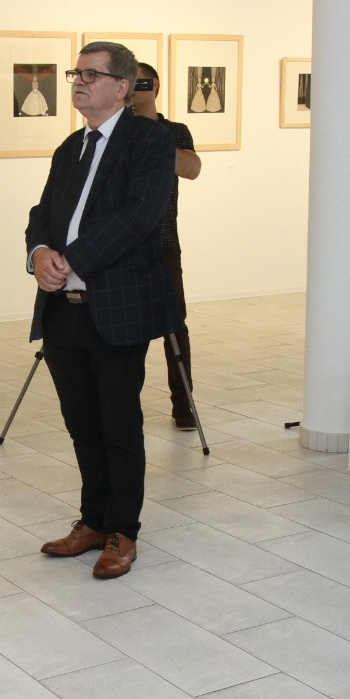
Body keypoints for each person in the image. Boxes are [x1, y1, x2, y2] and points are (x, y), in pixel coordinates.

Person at [27, 41, 177, 579]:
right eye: (77, 72)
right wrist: (39, 253)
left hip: (117, 309)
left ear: (122, 87)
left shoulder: (150, 141)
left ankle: (122, 531)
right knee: (81, 423)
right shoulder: (71, 147)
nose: (79, 81)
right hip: (62, 309)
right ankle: (92, 521)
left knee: (119, 424)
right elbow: (43, 211)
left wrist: (72, 258)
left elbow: (139, 217)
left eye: (92, 74)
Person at [130, 62, 202, 429]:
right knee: (127, 328)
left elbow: (191, 169)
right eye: (126, 82)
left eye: (139, 82)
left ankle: (183, 405)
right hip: (121, 247)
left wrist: (152, 139)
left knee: (175, 326)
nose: (132, 89)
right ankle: (125, 404)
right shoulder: (112, 129)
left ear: (155, 85)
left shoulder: (174, 131)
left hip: (163, 243)